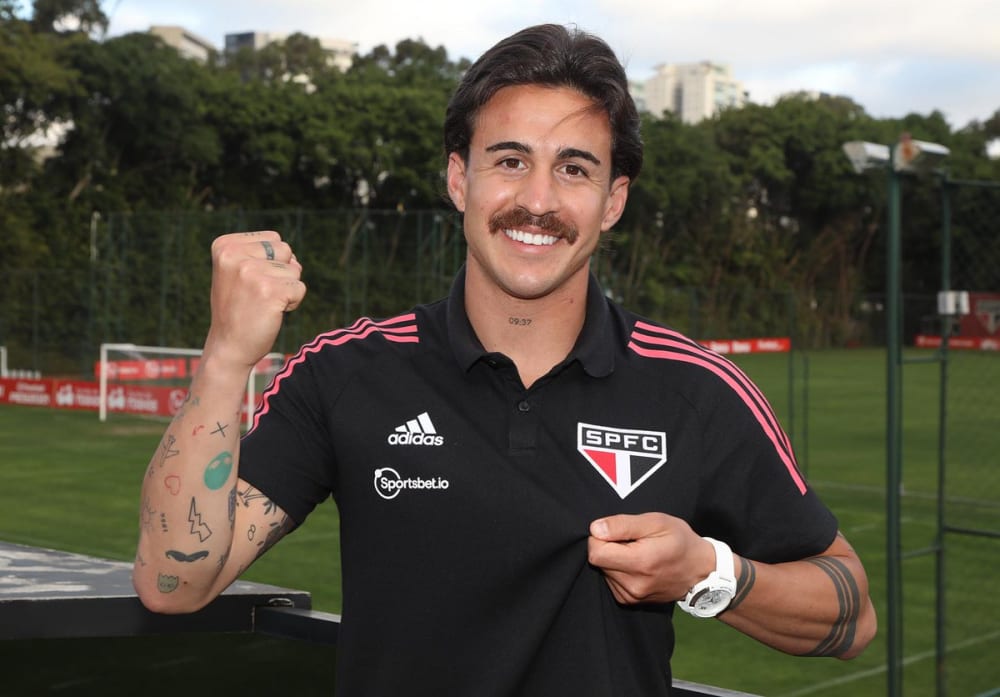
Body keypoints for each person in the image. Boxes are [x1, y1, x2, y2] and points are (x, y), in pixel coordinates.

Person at [133, 23, 876, 696]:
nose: (538, 199)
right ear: (460, 178)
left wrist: (707, 572)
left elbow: (850, 611)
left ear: (614, 201)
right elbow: (174, 582)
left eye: (576, 169)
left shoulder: (695, 388)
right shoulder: (349, 370)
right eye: (511, 159)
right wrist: (227, 357)